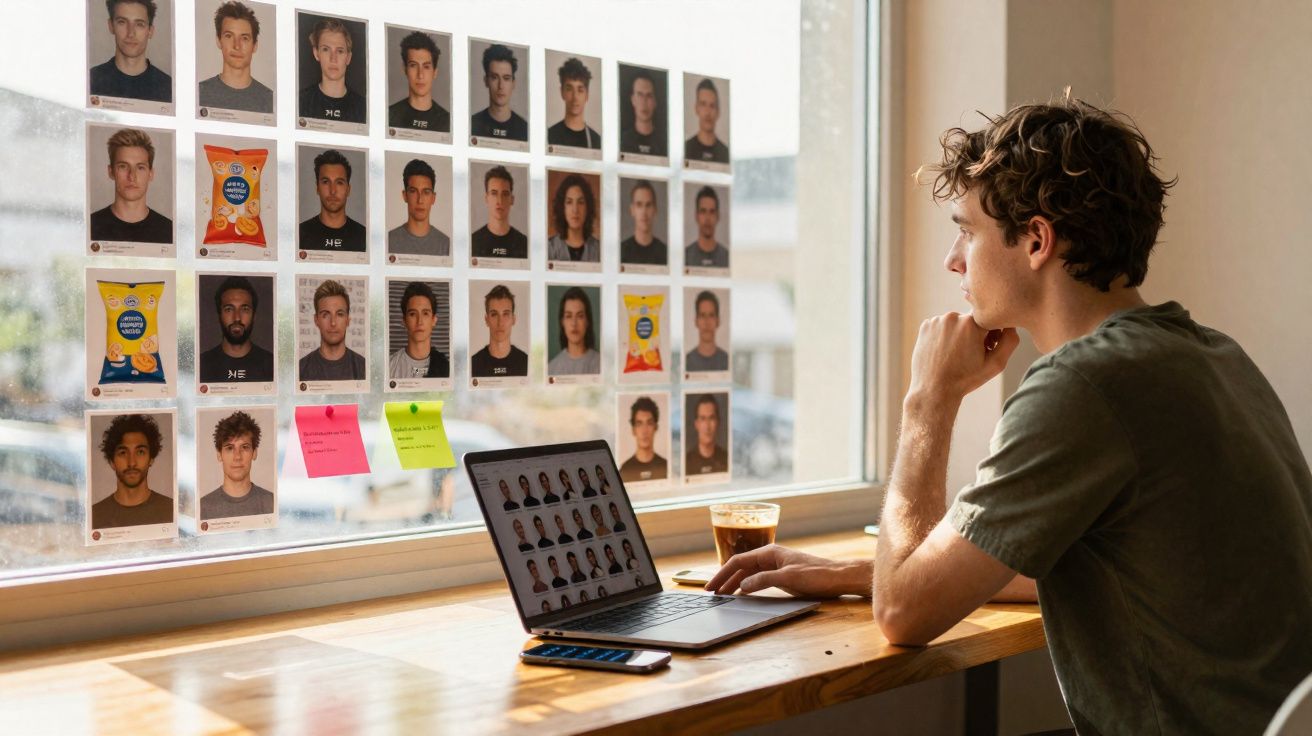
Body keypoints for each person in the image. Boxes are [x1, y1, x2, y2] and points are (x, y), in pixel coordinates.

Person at [705, 99, 1312, 736]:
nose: (953, 259)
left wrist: (928, 400)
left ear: (1037, 241)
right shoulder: (1211, 354)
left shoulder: (1083, 386)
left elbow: (903, 615)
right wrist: (856, 574)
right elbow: (1112, 563)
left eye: (966, 231)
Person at [90, 128, 172, 244]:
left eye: (140, 168)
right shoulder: (91, 225)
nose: (132, 176)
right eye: (123, 166)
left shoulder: (169, 231)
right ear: (111, 172)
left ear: (151, 174)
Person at [91, 413, 172, 529]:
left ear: (151, 459)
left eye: (140, 452)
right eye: (123, 453)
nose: (132, 463)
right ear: (112, 462)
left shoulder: (170, 510)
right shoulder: (94, 516)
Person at [89, 0, 172, 103]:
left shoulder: (169, 87)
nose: (131, 33)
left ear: (150, 31)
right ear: (111, 26)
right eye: (122, 22)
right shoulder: (90, 80)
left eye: (139, 24)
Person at [198, 2, 272, 114]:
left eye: (244, 38)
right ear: (218, 41)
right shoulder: (199, 92)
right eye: (229, 36)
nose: (237, 46)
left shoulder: (270, 99)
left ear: (255, 45)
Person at [198, 276, 274, 384]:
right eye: (229, 309)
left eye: (245, 309)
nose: (237, 318)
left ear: (254, 316)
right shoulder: (201, 365)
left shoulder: (272, 365)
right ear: (219, 315)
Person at [200, 410, 274, 520]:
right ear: (219, 454)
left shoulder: (271, 502)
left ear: (254, 453)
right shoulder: (203, 507)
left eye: (244, 447)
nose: (237, 457)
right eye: (230, 448)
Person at [298, 17, 364, 123]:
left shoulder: (363, 108)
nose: (333, 59)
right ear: (316, 53)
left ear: (348, 57)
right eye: (326, 49)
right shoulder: (300, 102)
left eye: (340, 51)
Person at [298, 279, 365, 381]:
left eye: (339, 314)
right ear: (316, 320)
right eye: (325, 315)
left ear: (348, 320)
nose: (333, 323)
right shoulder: (300, 369)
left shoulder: (363, 368)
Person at [299, 149, 365, 252]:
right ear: (317, 188)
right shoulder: (300, 234)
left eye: (339, 182)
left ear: (348, 190)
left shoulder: (364, 236)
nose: (333, 191)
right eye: (326, 182)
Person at [388, 31, 450, 133]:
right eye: (413, 65)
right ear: (405, 69)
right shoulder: (388, 116)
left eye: (426, 67)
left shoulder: (448, 122)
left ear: (435, 72)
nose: (420, 75)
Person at [388, 159, 450, 258]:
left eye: (426, 192)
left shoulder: (446, 244)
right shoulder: (389, 241)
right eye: (413, 191)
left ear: (433, 198)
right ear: (405, 196)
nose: (420, 200)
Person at [388, 281, 450, 380]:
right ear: (404, 321)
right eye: (412, 314)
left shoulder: (447, 368)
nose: (419, 322)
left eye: (425, 313)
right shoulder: (389, 367)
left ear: (434, 320)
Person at [470, 44, 527, 141]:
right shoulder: (471, 125)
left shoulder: (525, 130)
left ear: (513, 83)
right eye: (494, 77)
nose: (500, 86)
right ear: (486, 81)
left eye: (506, 78)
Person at [470, 284, 528, 378]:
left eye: (505, 314)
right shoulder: (473, 364)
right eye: (494, 314)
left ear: (513, 319)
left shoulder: (526, 362)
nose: (500, 323)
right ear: (487, 320)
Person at [470, 166, 528, 260]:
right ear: (486, 198)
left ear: (512, 199)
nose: (499, 201)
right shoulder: (473, 242)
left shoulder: (525, 244)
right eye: (494, 193)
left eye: (505, 194)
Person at [547, 57, 600, 149]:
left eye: (580, 90)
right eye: (569, 89)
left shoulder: (597, 141)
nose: (575, 97)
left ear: (587, 95)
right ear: (562, 92)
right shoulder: (549, 136)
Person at [546, 175, 600, 264]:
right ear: (562, 207)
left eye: (580, 202)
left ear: (588, 207)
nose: (575, 210)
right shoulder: (549, 248)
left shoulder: (599, 249)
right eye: (569, 202)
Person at [547, 287, 600, 376]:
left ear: (587, 321)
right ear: (562, 322)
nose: (574, 323)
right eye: (568, 316)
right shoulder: (551, 369)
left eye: (580, 316)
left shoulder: (601, 364)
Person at [619, 396, 668, 482]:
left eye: (649, 423)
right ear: (633, 430)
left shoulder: (666, 467)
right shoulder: (625, 470)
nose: (644, 431)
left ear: (656, 427)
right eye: (639, 424)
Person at [620, 180, 667, 266]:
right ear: (632, 210)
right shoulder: (621, 252)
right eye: (639, 205)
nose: (644, 212)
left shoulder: (665, 253)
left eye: (648, 205)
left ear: (655, 210)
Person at [620, 68, 665, 157]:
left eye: (649, 96)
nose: (644, 102)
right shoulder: (622, 141)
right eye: (640, 95)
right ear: (633, 100)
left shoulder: (664, 144)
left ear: (655, 102)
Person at [684, 78, 729, 164]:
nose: (708, 112)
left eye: (712, 106)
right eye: (703, 104)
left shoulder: (725, 154)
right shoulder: (686, 149)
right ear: (696, 108)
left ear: (718, 112)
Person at [685, 186, 729, 269]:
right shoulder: (685, 257)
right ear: (696, 216)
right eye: (703, 211)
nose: (707, 218)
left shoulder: (727, 258)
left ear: (718, 216)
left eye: (712, 212)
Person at [686, 291, 729, 372]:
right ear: (696, 321)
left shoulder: (727, 361)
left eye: (711, 315)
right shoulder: (687, 362)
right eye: (702, 315)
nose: (707, 322)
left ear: (718, 321)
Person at [686, 395, 728, 475]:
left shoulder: (726, 459)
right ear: (696, 424)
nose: (707, 426)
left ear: (718, 422)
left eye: (711, 418)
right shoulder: (686, 462)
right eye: (703, 419)